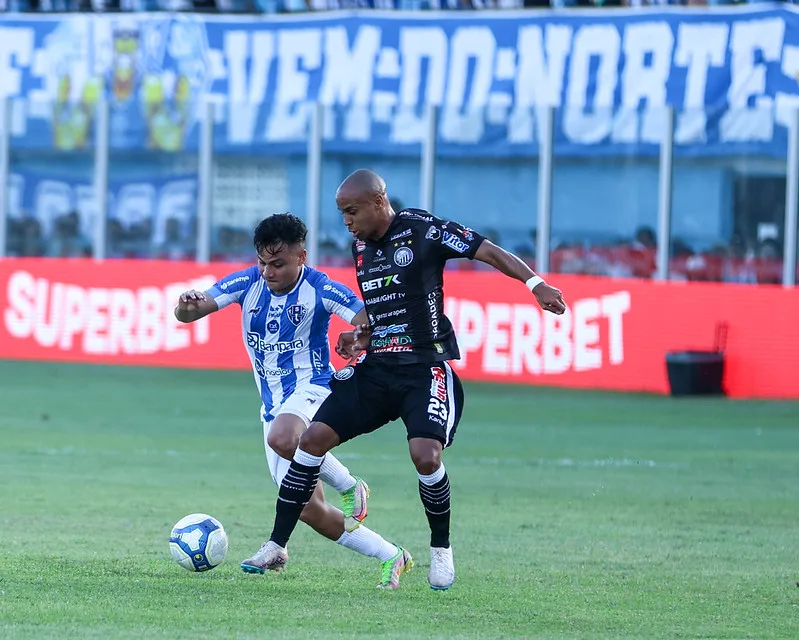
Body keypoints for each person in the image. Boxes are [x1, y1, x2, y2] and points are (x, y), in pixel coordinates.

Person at [246, 171, 567, 591]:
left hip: (424, 369)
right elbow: (381, 313)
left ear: (378, 202)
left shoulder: (423, 229)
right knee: (310, 441)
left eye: (351, 211)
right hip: (378, 370)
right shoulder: (361, 246)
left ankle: (441, 549)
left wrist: (535, 283)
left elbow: (485, 250)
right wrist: (360, 337)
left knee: (425, 456)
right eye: (342, 213)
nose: (346, 221)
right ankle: (275, 544)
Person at [174, 213, 412, 590]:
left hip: (314, 388)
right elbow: (193, 311)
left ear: (301, 256)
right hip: (272, 406)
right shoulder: (248, 283)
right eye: (263, 263)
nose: (268, 272)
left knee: (284, 438)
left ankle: (350, 485)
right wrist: (188, 303)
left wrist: (359, 331)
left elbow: (362, 315)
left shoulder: (319, 287)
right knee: (308, 509)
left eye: (278, 263)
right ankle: (391, 555)